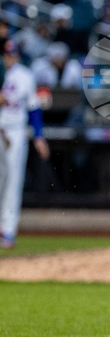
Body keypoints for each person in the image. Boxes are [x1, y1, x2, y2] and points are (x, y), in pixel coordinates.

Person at [0, 40, 49, 249]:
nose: (10, 58)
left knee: (13, 180)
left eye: (13, 54)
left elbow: (33, 108)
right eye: (7, 54)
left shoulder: (25, 75)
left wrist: (38, 136)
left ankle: (8, 230)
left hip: (16, 131)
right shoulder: (1, 73)